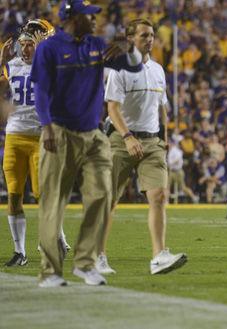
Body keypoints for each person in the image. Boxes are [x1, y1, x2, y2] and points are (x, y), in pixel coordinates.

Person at [31, 0, 143, 287]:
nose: (95, 20)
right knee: (53, 202)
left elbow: (134, 66)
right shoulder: (49, 48)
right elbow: (41, 91)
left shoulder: (95, 43)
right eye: (89, 16)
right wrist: (47, 126)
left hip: (93, 135)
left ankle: (84, 263)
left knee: (103, 195)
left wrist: (129, 49)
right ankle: (50, 271)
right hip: (59, 132)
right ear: (72, 17)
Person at [97, 18, 187, 275]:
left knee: (158, 196)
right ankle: (97, 255)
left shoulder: (158, 70)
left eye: (151, 35)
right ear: (130, 39)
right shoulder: (119, 69)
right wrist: (127, 137)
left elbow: (163, 106)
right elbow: (112, 108)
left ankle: (159, 256)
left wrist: (165, 136)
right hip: (120, 139)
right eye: (144, 35)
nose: (150, 39)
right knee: (108, 200)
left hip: (152, 140)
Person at [0, 19, 71, 267]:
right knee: (14, 195)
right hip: (15, 136)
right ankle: (20, 252)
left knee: (45, 195)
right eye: (24, 44)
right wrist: (0, 62)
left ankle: (57, 238)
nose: (26, 49)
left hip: (41, 136)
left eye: (30, 44)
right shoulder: (11, 65)